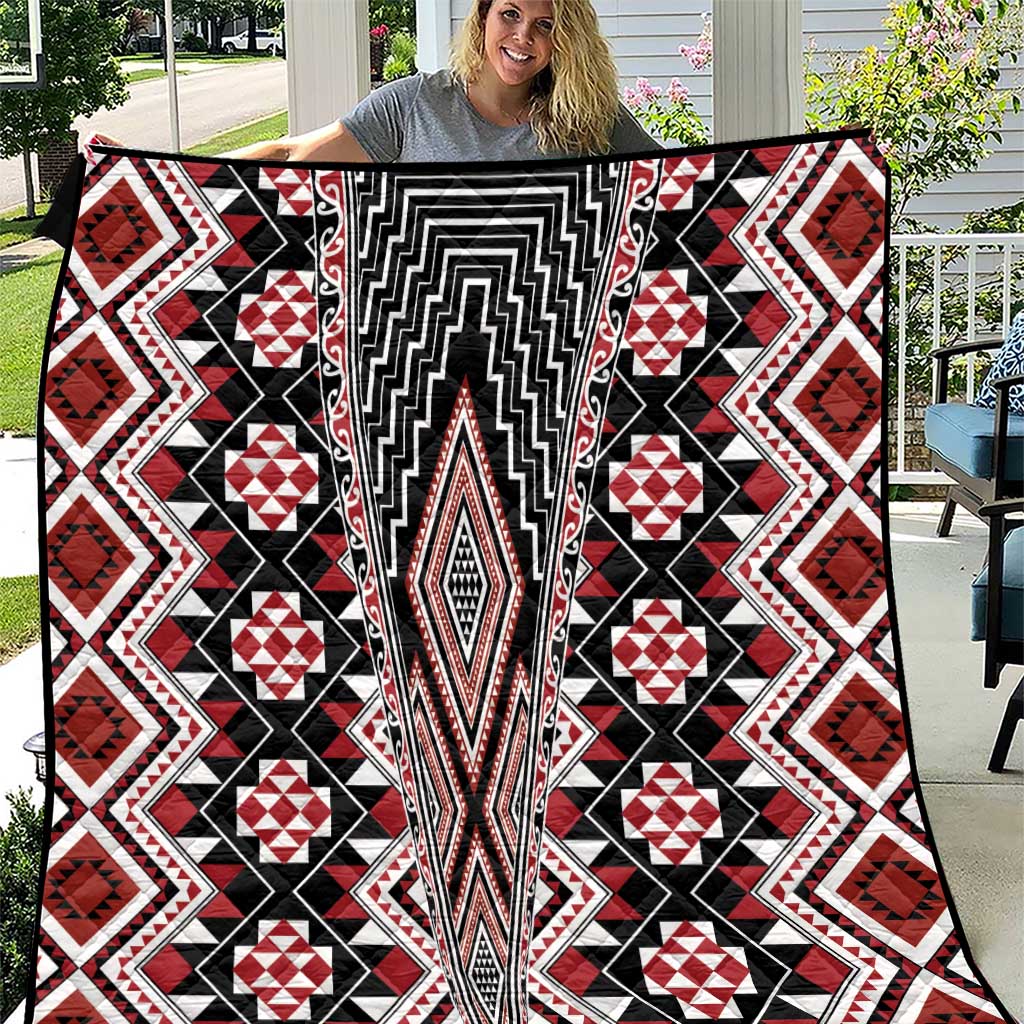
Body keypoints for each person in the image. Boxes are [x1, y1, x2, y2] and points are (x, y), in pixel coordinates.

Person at [92, 0, 661, 163]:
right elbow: (294, 152)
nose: (522, 37)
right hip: (421, 341)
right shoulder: (414, 103)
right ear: (483, 17)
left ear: (563, 40)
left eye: (544, 26)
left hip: (548, 348)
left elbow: (681, 193)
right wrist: (152, 167)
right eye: (510, 14)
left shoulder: (589, 117)